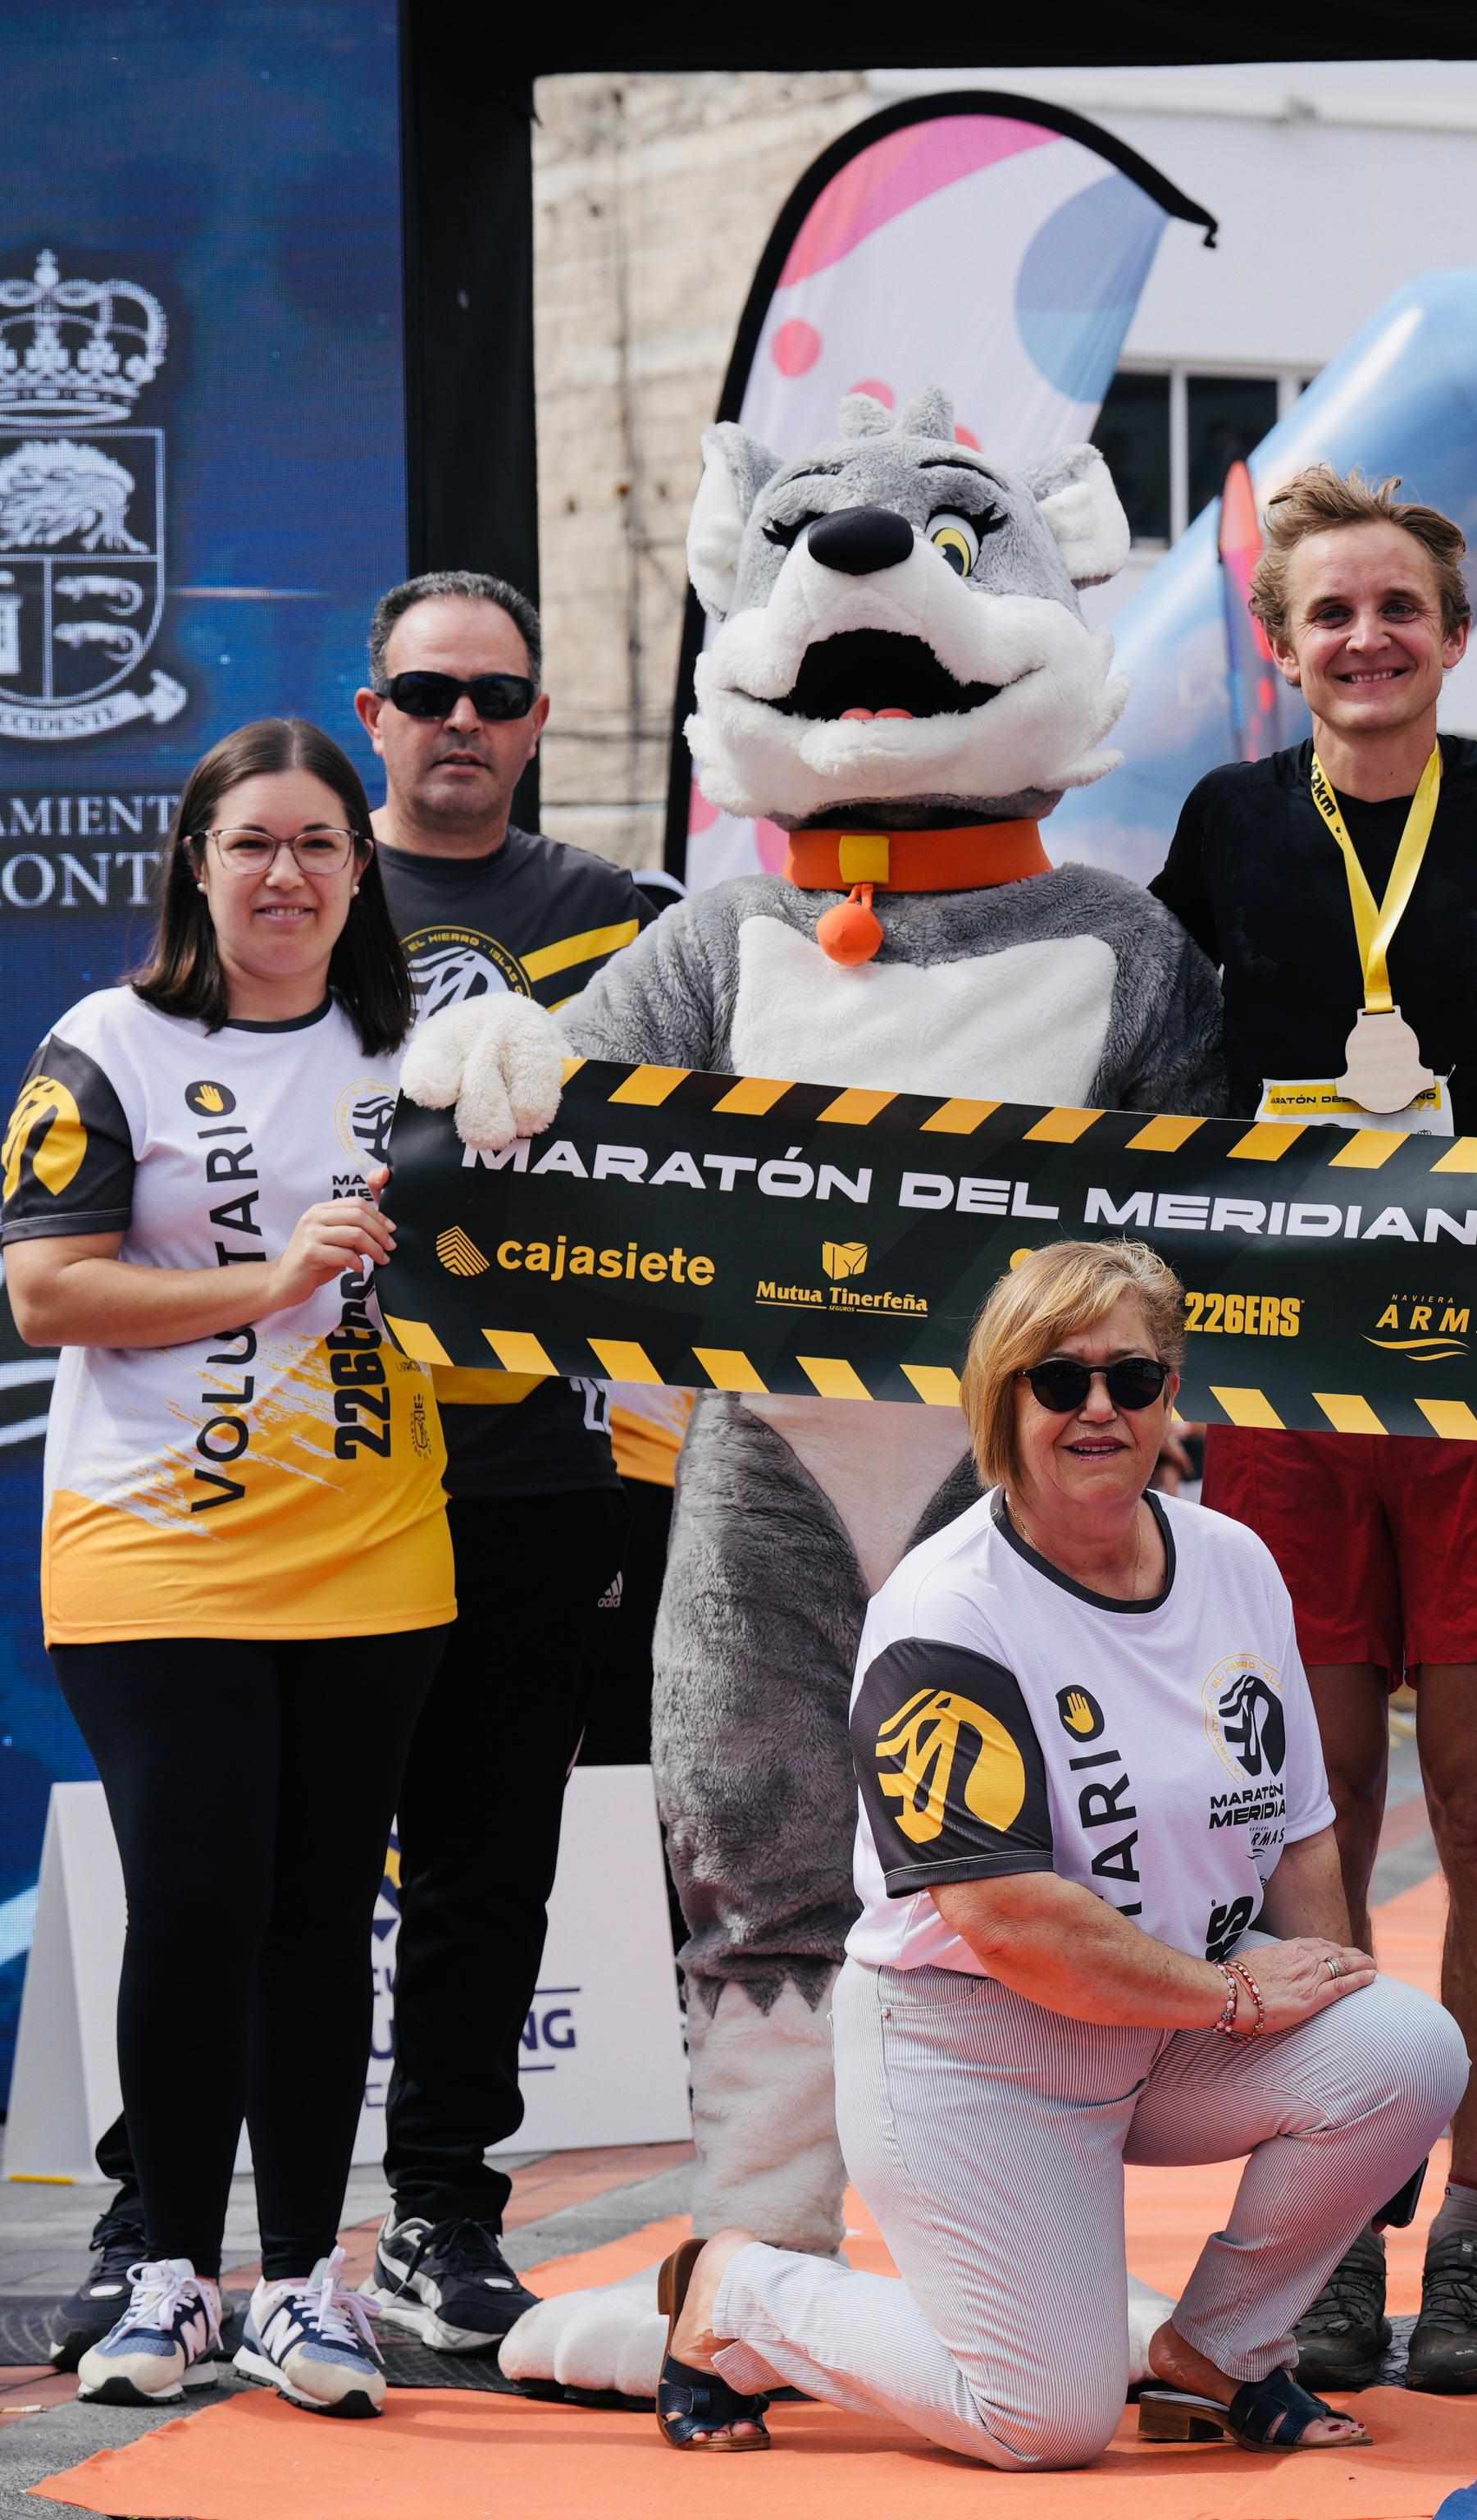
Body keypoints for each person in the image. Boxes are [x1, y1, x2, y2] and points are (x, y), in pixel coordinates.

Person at [654, 1239, 1467, 2465]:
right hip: (973, 2042)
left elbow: (1300, 1827)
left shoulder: (1233, 1562)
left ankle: (1224, 2352)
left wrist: (1335, 1998)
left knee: (1409, 2052)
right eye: (1060, 1380)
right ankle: (746, 2292)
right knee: (1045, 2420)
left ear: (1171, 1398)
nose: (1100, 1409)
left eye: (1133, 1381)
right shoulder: (949, 1610)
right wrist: (1240, 1996)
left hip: (1177, 2013)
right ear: (1002, 1396)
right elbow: (1010, 1917)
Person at [1152, 466, 1477, 2391]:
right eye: (1329, 615)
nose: (1364, 640)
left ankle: (1473, 2231)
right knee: (1316, 1831)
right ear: (1284, 650)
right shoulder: (1222, 822)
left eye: (1398, 611)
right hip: (1285, 1383)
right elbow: (1158, 1058)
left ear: (1453, 638)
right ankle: (1342, 2225)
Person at [2, 719, 452, 2419]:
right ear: (197, 860)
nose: (287, 874)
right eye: (253, 842)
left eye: (320, 845)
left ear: (361, 867)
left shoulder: (421, 1048)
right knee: (195, 1904)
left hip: (374, 1545)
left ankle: (304, 2287)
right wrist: (264, 1288)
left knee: (324, 1923)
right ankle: (171, 2273)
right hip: (153, 1548)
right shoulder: (105, 1039)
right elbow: (49, 1294)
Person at [338, 569, 661, 2346]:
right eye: (427, 690)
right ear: (373, 707)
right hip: (318, 1457)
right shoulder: (303, 877)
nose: (461, 718)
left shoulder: (616, 913)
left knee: (485, 1860)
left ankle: (444, 2214)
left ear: (539, 722)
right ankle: (191, 2201)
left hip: (538, 1465)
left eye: (496, 694)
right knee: (282, 1848)